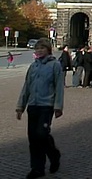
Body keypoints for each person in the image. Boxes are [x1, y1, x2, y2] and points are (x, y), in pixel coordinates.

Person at [16, 38, 63, 179]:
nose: (39, 50)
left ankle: (54, 154)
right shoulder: (33, 67)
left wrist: (58, 106)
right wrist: (20, 106)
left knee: (41, 134)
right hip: (33, 106)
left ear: (48, 49)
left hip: (46, 106)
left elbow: (59, 87)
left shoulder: (55, 65)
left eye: (42, 48)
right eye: (37, 48)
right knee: (33, 138)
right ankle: (37, 168)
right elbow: (26, 87)